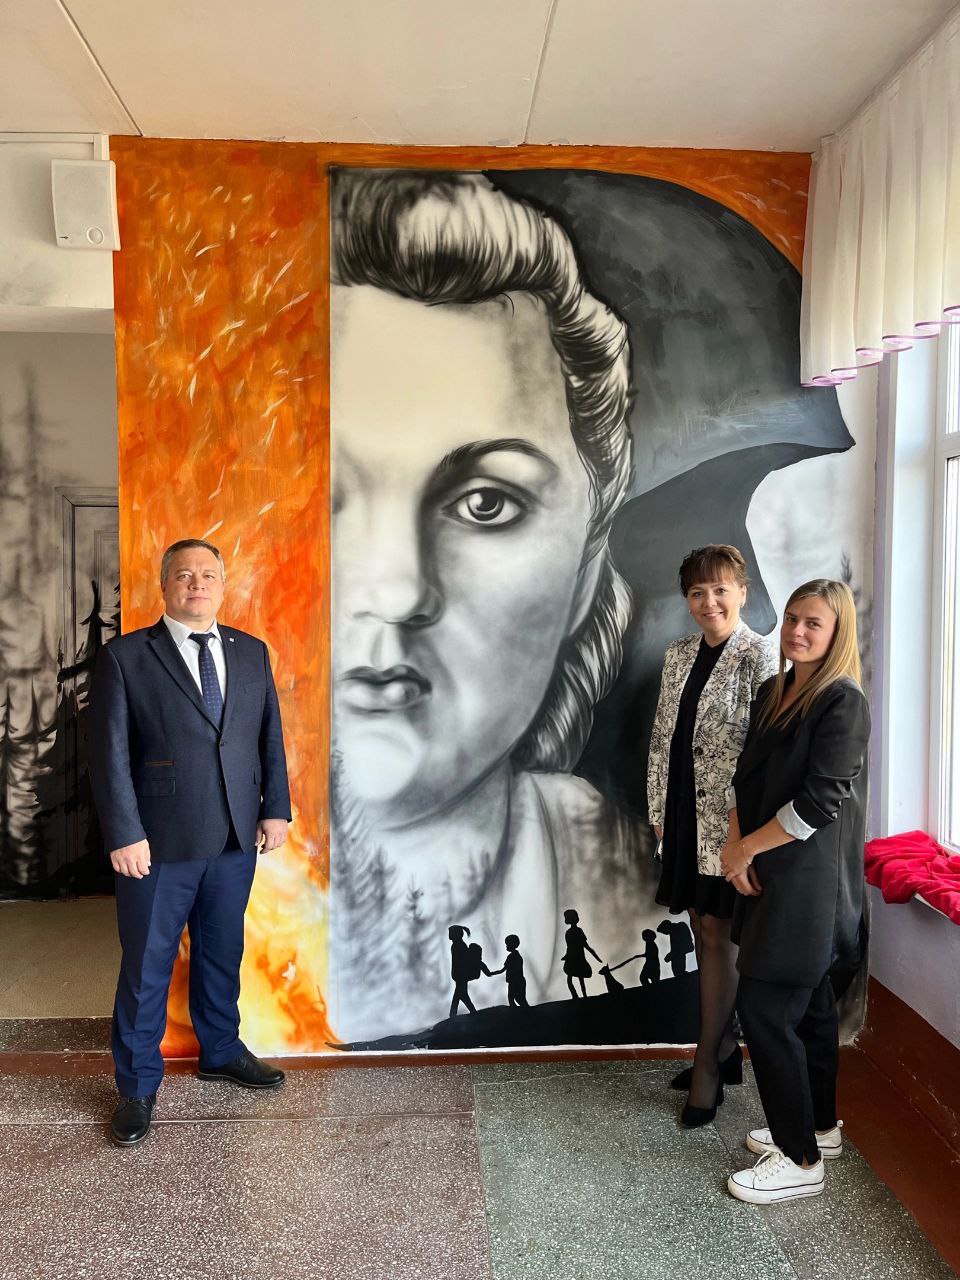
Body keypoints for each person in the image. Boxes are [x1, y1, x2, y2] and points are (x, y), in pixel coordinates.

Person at [329, 168, 653, 1037]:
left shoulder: (624, 884)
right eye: (324, 497)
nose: (397, 588)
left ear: (585, 567)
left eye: (485, 503)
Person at [88, 539, 292, 1148]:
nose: (196, 584)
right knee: (147, 965)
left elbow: (269, 736)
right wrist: (125, 833)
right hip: (156, 843)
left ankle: (221, 1050)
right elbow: (109, 755)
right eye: (184, 575)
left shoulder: (251, 652)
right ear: (165, 586)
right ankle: (136, 1085)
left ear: (223, 585)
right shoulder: (125, 657)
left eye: (207, 575)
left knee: (221, 952)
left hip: (235, 836)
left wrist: (275, 809)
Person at [721, 579, 869, 1204]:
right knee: (809, 1012)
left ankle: (800, 1158)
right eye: (791, 618)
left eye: (814, 623)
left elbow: (817, 804)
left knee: (765, 1011)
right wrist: (736, 847)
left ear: (837, 635)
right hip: (767, 868)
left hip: (811, 887)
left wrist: (746, 849)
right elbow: (743, 779)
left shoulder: (843, 702)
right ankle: (821, 1129)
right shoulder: (771, 691)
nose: (798, 631)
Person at [647, 545, 776, 1126]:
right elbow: (662, 740)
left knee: (720, 932)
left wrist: (744, 834)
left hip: (730, 823)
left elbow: (765, 755)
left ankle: (707, 1063)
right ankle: (722, 1049)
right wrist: (658, 810)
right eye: (697, 592)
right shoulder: (677, 655)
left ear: (742, 592)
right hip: (682, 814)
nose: (709, 602)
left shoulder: (760, 657)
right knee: (703, 926)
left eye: (721, 589)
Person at [448, 924, 491, 1017]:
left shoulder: (459, 945)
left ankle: (456, 1013)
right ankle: (457, 1013)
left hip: (460, 974)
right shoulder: (457, 945)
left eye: (451, 932)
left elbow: (464, 960)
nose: (449, 935)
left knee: (460, 994)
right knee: (461, 994)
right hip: (459, 974)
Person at [561, 908, 602, 999]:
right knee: (574, 979)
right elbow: (570, 947)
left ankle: (583, 996)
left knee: (576, 978)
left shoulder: (576, 931)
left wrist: (595, 956)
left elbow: (585, 945)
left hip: (577, 958)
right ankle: (576, 996)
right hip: (573, 958)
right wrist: (566, 956)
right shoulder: (570, 932)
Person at [489, 934, 529, 1008]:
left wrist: (491, 973)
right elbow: (504, 969)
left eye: (507, 944)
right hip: (515, 981)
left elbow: (503, 970)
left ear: (512, 944)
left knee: (517, 999)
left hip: (516, 981)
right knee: (515, 999)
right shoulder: (514, 956)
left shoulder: (513, 957)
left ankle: (525, 1012)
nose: (506, 946)